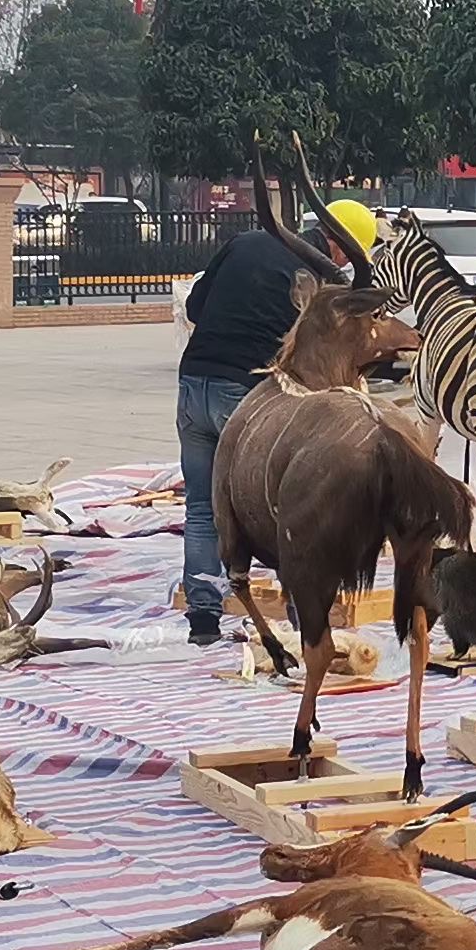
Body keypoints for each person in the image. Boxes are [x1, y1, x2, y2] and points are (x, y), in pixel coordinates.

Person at [175, 194, 382, 643]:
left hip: (194, 382)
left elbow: (194, 309)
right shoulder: (325, 283)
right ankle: (299, 618)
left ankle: (204, 623)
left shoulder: (245, 241)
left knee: (200, 508)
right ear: (344, 249)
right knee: (284, 507)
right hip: (249, 399)